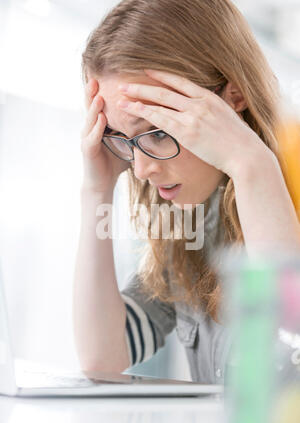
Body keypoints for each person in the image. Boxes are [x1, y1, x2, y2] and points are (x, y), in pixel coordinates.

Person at [72, 0, 300, 384]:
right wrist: (97, 189)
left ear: (234, 96)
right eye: (123, 139)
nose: (141, 170)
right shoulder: (193, 219)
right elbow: (103, 357)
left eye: (159, 132)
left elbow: (285, 374)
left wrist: (251, 164)